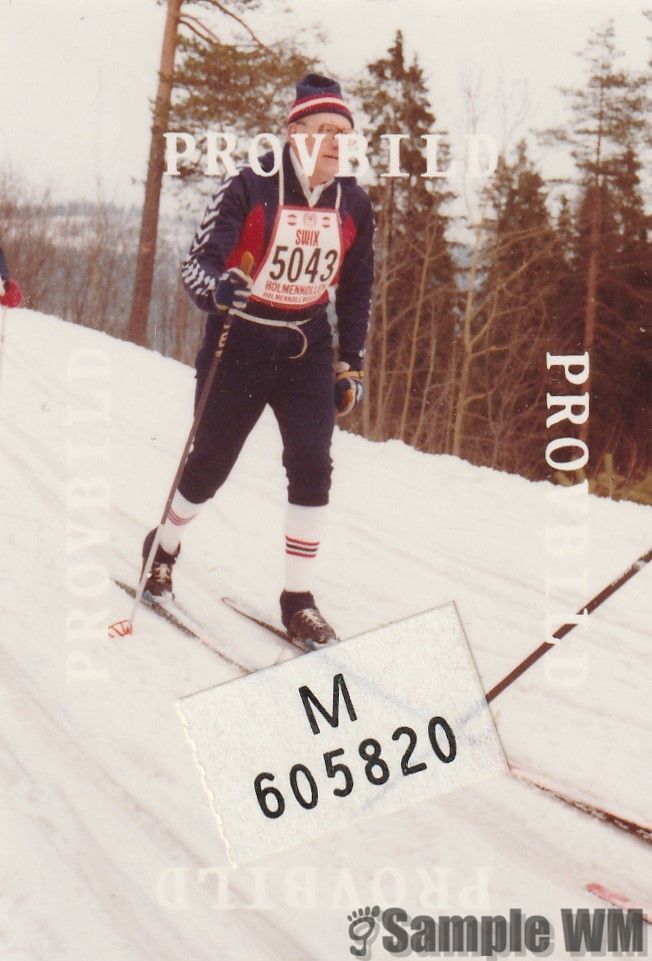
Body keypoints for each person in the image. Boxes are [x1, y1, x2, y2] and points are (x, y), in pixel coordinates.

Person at [141, 74, 374, 646]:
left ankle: (298, 599)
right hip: (242, 337)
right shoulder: (249, 184)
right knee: (211, 463)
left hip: (307, 345)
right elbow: (198, 264)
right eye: (322, 131)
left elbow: (358, 285)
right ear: (294, 133)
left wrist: (353, 360)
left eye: (343, 135)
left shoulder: (355, 202)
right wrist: (218, 289)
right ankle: (164, 545)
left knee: (313, 465)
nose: (333, 145)